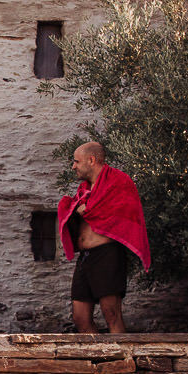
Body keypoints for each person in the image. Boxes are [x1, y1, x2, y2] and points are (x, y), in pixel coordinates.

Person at [57, 141, 151, 334]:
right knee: (80, 318)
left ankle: (120, 360)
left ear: (91, 160)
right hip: (85, 258)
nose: (73, 166)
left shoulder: (118, 182)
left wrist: (85, 210)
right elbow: (79, 211)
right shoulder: (84, 190)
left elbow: (122, 214)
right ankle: (99, 359)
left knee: (111, 314)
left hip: (107, 254)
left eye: (76, 161)